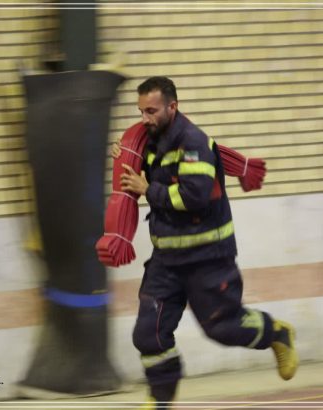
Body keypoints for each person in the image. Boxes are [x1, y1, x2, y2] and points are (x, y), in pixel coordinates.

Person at [114, 76, 298, 409]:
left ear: (173, 106)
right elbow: (143, 170)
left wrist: (147, 190)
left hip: (208, 258)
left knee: (223, 329)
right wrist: (124, 155)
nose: (145, 119)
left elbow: (194, 197)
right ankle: (160, 400)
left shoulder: (194, 143)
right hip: (166, 260)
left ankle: (277, 333)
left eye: (151, 111)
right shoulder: (151, 143)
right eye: (141, 112)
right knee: (148, 334)